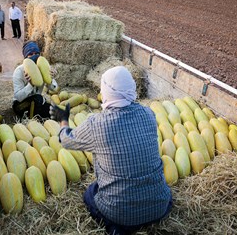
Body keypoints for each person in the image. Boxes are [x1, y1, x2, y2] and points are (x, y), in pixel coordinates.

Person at [50, 66, 173, 235]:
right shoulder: (149, 114)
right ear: (131, 88)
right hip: (160, 207)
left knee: (90, 194)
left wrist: (63, 120)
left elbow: (65, 140)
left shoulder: (97, 124)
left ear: (105, 91)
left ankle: (116, 228)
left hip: (121, 213)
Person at [12, 41, 57, 119]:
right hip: (20, 105)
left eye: (36, 53)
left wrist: (51, 78)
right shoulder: (19, 71)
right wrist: (30, 85)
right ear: (26, 57)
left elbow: (53, 88)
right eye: (31, 54)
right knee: (38, 99)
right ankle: (32, 121)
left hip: (38, 103)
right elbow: (18, 97)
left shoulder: (42, 66)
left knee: (54, 112)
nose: (34, 56)